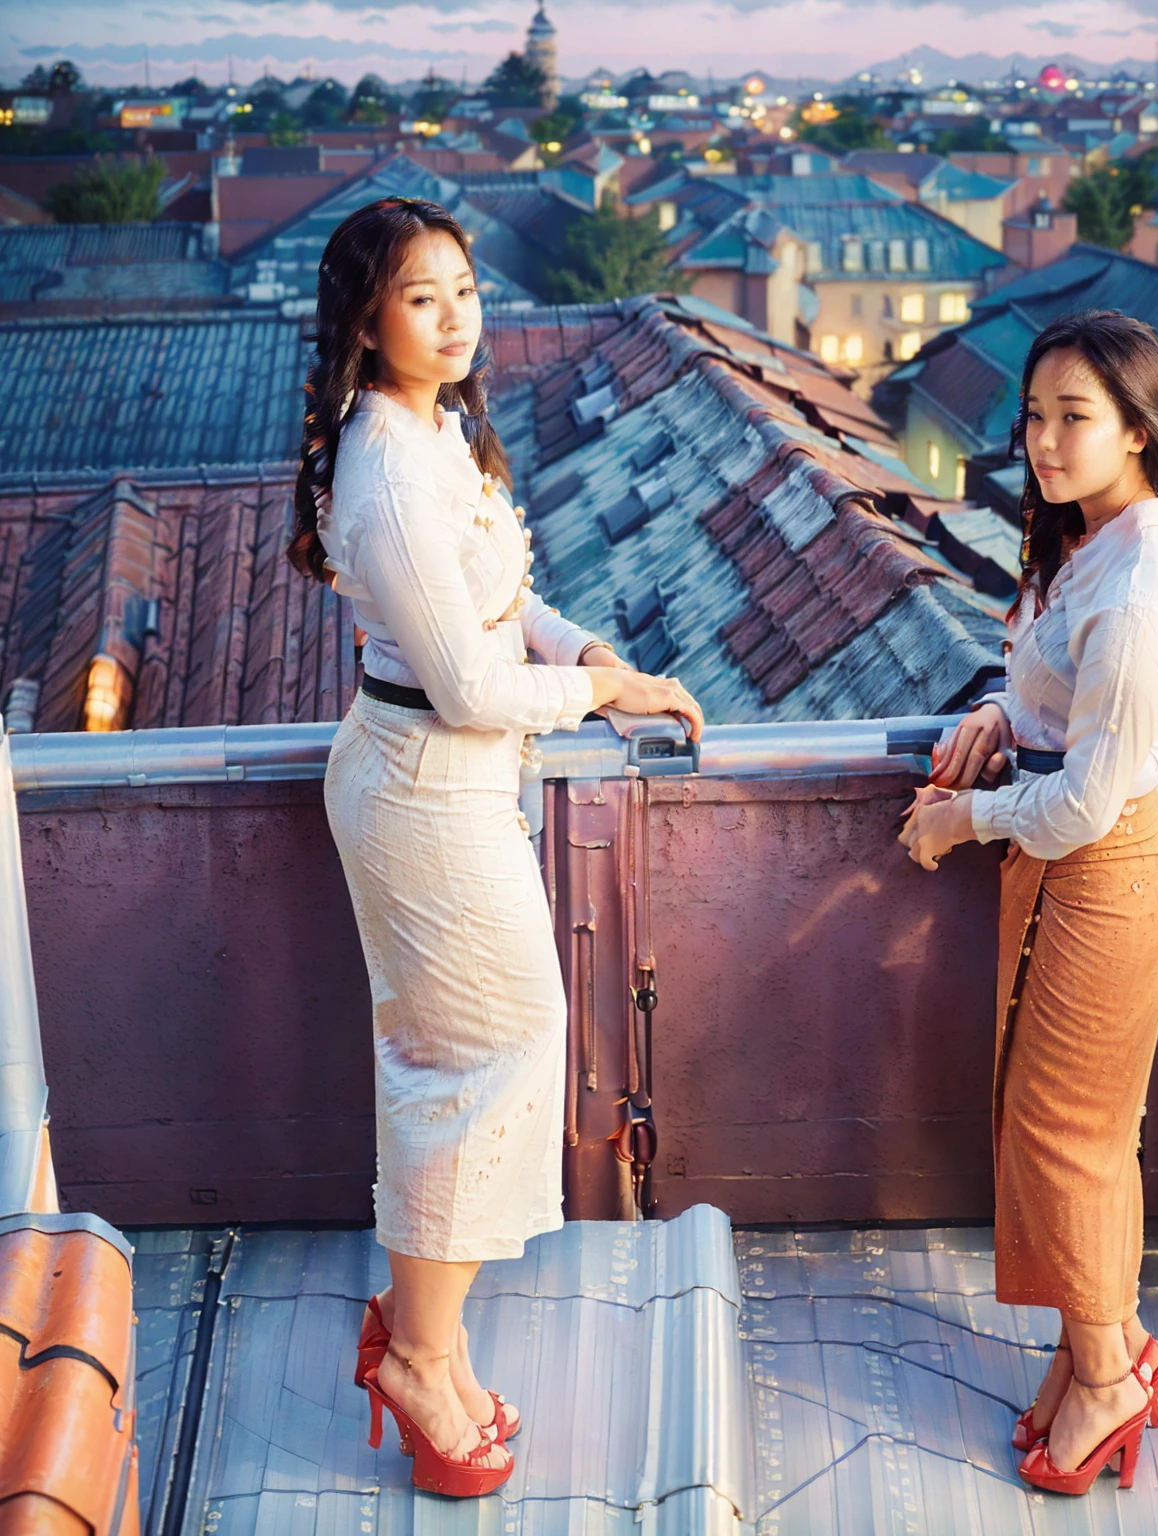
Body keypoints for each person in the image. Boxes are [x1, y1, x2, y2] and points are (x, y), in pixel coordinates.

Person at [287, 197, 703, 1497]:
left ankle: (435, 1347)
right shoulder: (387, 467)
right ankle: (417, 1355)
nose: (457, 315)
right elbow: (467, 687)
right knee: (476, 1060)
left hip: (453, 781)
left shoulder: (435, 432)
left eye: (465, 288)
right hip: (425, 781)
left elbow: (505, 610)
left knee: (466, 1060)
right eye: (423, 296)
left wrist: (580, 650)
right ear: (366, 318)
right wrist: (606, 698)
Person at [898, 310, 1158, 1497]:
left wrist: (956, 819)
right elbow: (1052, 695)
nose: (1044, 439)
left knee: (1063, 1138)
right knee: (1062, 1130)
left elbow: (1086, 799)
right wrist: (994, 715)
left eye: (1075, 417)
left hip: (1104, 867)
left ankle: (1109, 1382)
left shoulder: (1134, 586)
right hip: (1078, 866)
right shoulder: (1090, 546)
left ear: (1138, 431)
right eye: (1034, 415)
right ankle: (1097, 1359)